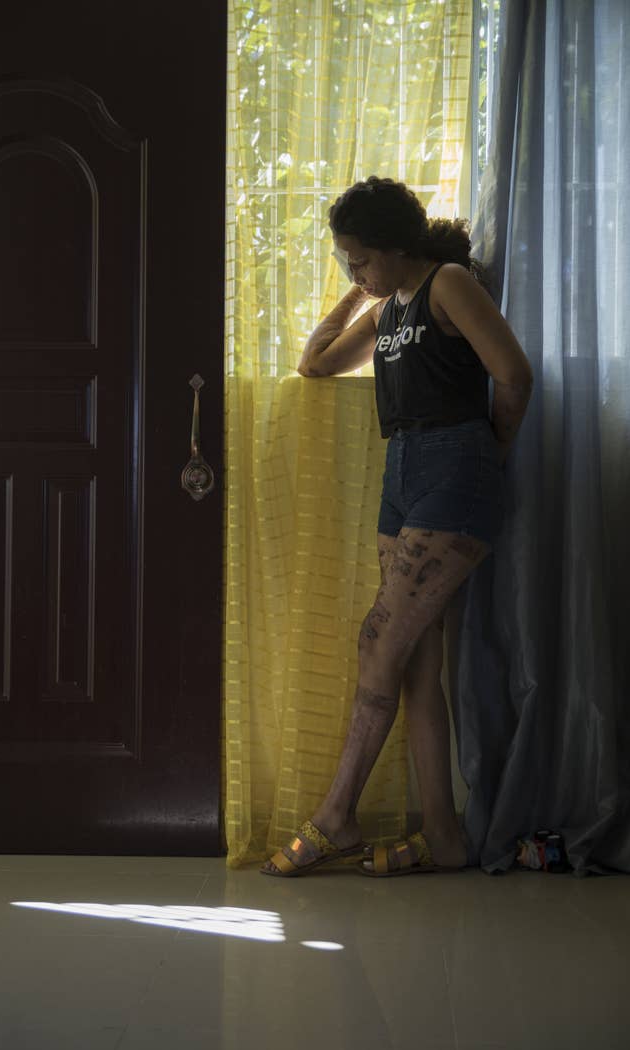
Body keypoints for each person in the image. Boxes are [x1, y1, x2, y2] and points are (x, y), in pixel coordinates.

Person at [260, 176, 533, 878]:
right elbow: (315, 364)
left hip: (453, 465)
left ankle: (335, 817)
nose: (354, 271)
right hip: (403, 473)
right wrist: (361, 290)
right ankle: (444, 836)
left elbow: (513, 374)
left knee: (378, 641)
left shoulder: (447, 284)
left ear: (397, 246)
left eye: (361, 259)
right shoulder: (390, 307)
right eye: (346, 261)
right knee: (414, 662)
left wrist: (488, 458)